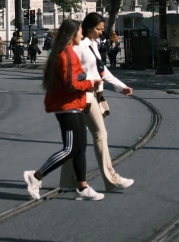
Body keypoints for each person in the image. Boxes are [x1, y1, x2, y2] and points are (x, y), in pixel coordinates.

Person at [23, 18, 104, 202]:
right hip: (67, 106)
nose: (82, 35)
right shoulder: (65, 54)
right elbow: (70, 84)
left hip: (75, 104)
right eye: (80, 32)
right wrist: (91, 83)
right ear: (72, 34)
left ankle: (83, 188)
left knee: (80, 147)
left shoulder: (68, 53)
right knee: (70, 149)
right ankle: (35, 176)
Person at [60, 12, 134, 193]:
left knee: (76, 141)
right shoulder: (79, 46)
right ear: (87, 28)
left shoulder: (93, 45)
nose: (102, 32)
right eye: (99, 29)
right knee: (100, 134)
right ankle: (111, 179)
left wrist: (120, 86)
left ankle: (68, 181)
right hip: (83, 96)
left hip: (92, 95)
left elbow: (102, 70)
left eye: (102, 29)